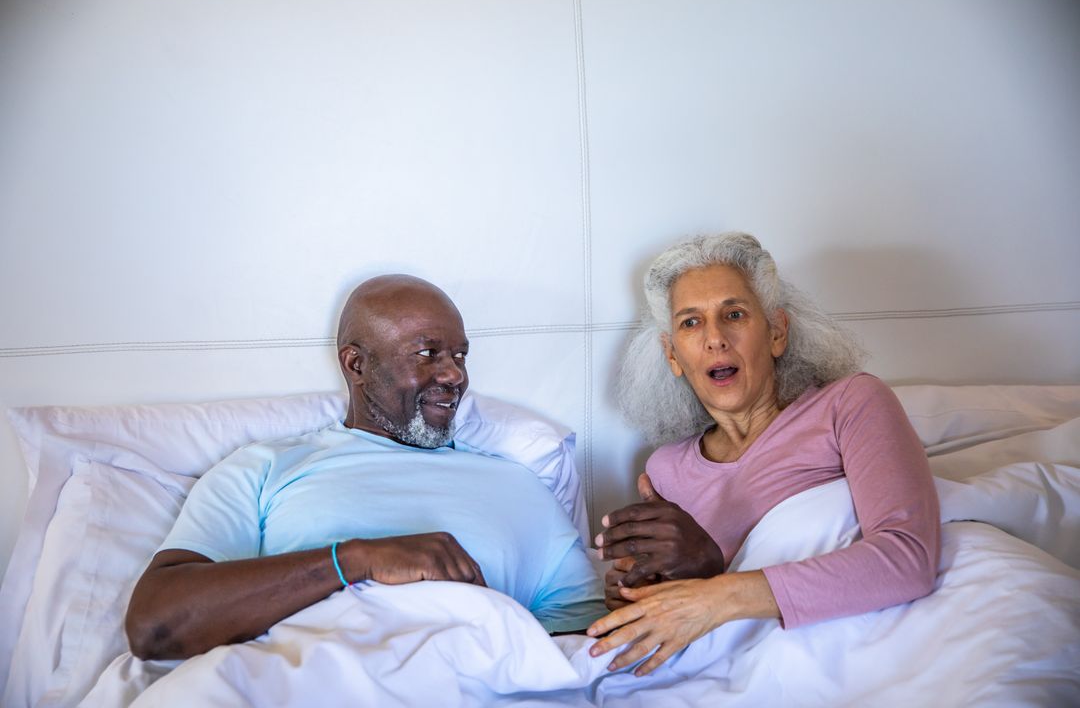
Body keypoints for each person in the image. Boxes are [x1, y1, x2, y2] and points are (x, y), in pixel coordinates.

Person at [124, 274, 605, 660]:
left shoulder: (520, 487)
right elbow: (155, 625)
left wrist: (645, 584)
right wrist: (354, 561)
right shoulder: (263, 469)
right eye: (428, 353)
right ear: (356, 364)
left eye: (460, 355)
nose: (455, 374)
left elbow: (585, 648)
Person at [586, 233, 940, 676]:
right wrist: (633, 595)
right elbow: (680, 613)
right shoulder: (664, 471)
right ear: (672, 355)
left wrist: (718, 593)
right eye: (691, 323)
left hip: (847, 658)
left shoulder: (850, 404)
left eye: (734, 314)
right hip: (733, 673)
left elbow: (908, 560)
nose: (715, 339)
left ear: (776, 332)